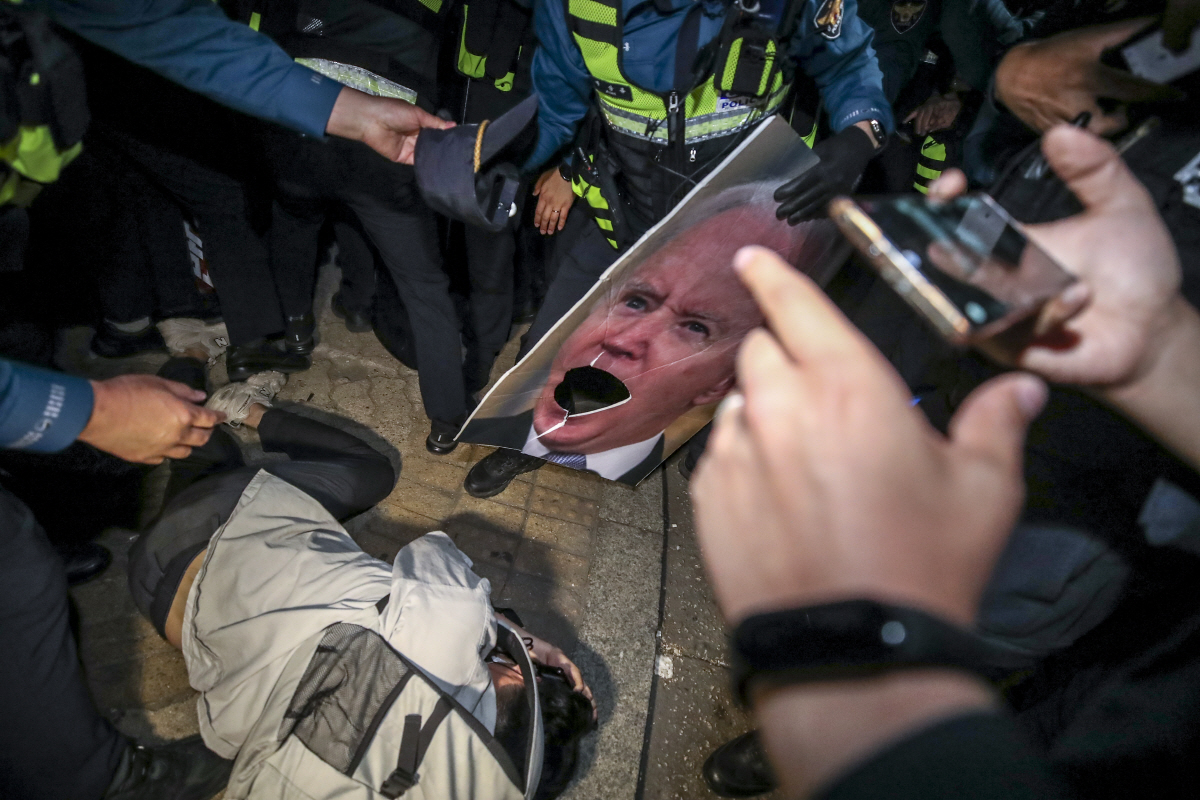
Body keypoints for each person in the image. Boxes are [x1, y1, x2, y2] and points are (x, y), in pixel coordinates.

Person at [695, 126, 1200, 798]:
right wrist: (1161, 348)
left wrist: (852, 716)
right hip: (1002, 365)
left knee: (1001, 613)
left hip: (1108, 496)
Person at [460, 0, 894, 493]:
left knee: (691, 362)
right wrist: (496, 160)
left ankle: (625, 446)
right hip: (619, 215)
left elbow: (849, 66)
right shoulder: (574, 6)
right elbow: (558, 110)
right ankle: (522, 447)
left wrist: (860, 137)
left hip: (721, 236)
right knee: (549, 342)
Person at [126, 399, 595, 798]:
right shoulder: (392, 771)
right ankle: (194, 451)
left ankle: (218, 414)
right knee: (207, 462)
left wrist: (523, 638)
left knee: (370, 470)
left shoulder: (455, 628)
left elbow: (433, 549)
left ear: (518, 674)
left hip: (217, 523)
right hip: (158, 599)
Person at [460, 183, 844, 493]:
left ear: (720, 384)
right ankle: (518, 446)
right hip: (620, 211)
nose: (625, 339)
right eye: (638, 301)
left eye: (695, 327)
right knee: (541, 344)